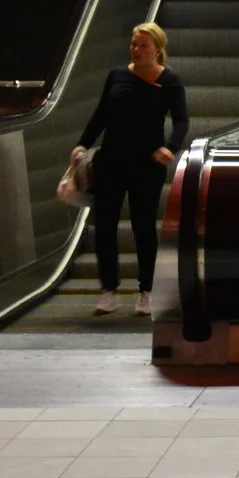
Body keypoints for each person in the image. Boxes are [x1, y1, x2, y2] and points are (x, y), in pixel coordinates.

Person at [76, 21, 189, 315]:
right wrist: (82, 144)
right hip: (111, 161)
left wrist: (171, 148)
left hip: (147, 164)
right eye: (134, 44)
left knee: (143, 227)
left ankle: (145, 291)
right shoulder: (116, 76)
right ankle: (108, 290)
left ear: (157, 50)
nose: (136, 50)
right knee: (105, 226)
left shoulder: (170, 81)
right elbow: (101, 113)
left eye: (143, 45)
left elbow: (181, 120)